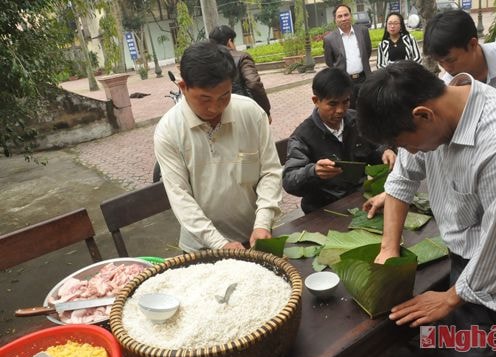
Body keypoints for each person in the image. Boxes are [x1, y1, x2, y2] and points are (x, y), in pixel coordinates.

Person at [357, 61, 496, 357]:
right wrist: (388, 248)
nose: (411, 152)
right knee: (452, 352)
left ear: (423, 115)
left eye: (408, 144)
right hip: (465, 260)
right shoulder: (430, 109)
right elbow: (402, 178)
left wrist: (450, 299)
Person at [154, 41, 282, 251]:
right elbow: (180, 196)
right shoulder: (169, 131)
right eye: (204, 99)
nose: (215, 107)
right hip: (201, 247)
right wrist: (219, 243)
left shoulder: (251, 114)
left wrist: (263, 222)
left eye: (224, 96)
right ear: (183, 87)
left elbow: (270, 172)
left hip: (254, 237)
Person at [282, 67, 396, 214]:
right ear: (316, 101)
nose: (340, 110)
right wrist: (313, 172)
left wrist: (384, 151)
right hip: (323, 210)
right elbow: (289, 180)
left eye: (346, 102)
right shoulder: (302, 136)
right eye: (333, 104)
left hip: (359, 199)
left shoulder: (356, 121)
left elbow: (376, 146)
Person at [209, 25, 272, 123]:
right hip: (243, 113)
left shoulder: (206, 61)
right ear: (230, 42)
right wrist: (266, 111)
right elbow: (254, 83)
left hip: (216, 115)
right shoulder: (242, 57)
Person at [323, 4, 372, 109]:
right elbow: (330, 62)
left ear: (351, 15)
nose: (344, 18)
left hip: (364, 79)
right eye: (340, 16)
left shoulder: (363, 31)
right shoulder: (329, 39)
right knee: (348, 112)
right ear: (335, 19)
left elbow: (367, 52)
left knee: (367, 109)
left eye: (346, 15)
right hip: (345, 83)